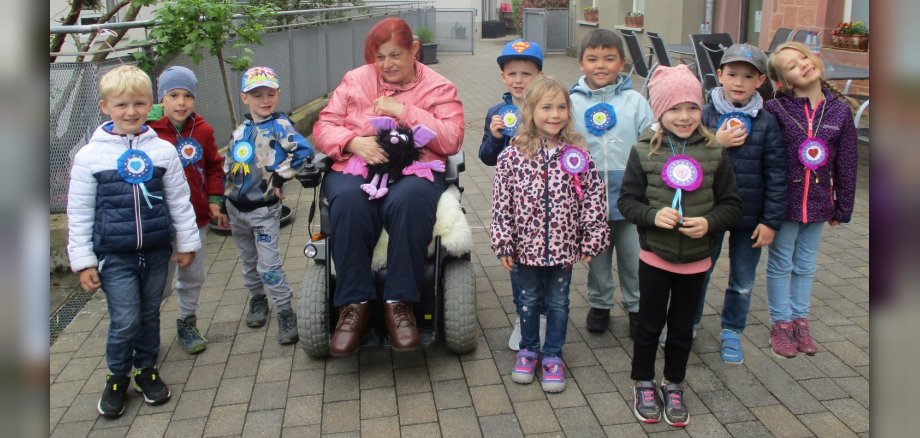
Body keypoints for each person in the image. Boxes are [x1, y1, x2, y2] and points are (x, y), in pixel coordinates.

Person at [312, 17, 464, 356]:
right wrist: (352, 141)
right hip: (356, 165)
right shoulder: (355, 80)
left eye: (395, 55)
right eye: (379, 57)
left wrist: (404, 110)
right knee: (349, 202)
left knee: (408, 200)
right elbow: (324, 125)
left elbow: (452, 139)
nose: (386, 65)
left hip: (415, 167)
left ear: (413, 49)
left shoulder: (439, 87)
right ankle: (355, 306)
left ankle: (399, 304)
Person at [67, 65, 200, 418]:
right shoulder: (89, 157)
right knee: (125, 318)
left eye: (140, 103)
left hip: (156, 250)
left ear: (151, 105)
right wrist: (83, 261)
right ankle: (117, 376)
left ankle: (146, 370)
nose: (131, 112)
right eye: (122, 104)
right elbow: (79, 212)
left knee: (149, 314)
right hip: (115, 255)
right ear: (104, 106)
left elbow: (178, 200)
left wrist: (185, 243)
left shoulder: (163, 152)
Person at [618, 65, 741, 427]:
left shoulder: (716, 152)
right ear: (659, 111)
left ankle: (674, 383)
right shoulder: (643, 151)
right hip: (655, 257)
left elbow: (732, 204)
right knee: (649, 324)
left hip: (696, 262)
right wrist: (652, 216)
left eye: (691, 107)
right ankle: (642, 381)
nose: (684, 116)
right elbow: (627, 202)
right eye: (674, 109)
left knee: (683, 328)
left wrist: (709, 223)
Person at [492, 77, 609, 393]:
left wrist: (592, 235)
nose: (555, 114)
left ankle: (554, 354)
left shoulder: (577, 154)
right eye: (546, 107)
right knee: (528, 300)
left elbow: (594, 197)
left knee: (558, 302)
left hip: (564, 247)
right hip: (525, 247)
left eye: (561, 107)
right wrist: (503, 240)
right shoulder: (512, 156)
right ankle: (529, 350)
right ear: (529, 110)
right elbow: (502, 202)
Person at [688, 44, 787, 365]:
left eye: (748, 76)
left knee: (742, 279)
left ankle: (732, 330)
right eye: (732, 74)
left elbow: (776, 174)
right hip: (709, 212)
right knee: (699, 272)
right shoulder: (703, 114)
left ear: (760, 80)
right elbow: (684, 160)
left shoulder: (767, 121)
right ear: (719, 76)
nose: (739, 82)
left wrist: (771, 221)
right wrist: (716, 141)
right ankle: (688, 323)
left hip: (750, 216)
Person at [763, 42, 858, 359]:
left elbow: (847, 161)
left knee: (804, 265)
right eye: (791, 65)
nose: (802, 65)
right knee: (780, 264)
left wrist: (843, 206)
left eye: (803, 57)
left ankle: (800, 321)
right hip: (784, 204)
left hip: (818, 204)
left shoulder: (840, 111)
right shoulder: (776, 110)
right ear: (785, 81)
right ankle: (781, 323)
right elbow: (767, 158)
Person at [218, 66, 313, 345]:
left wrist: (281, 177)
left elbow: (303, 152)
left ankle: (285, 310)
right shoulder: (240, 130)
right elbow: (230, 167)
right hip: (236, 209)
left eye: (270, 94)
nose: (264, 100)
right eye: (256, 95)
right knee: (248, 262)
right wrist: (224, 204)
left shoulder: (281, 126)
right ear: (244, 98)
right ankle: (258, 299)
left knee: (268, 264)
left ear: (278, 94)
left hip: (263, 210)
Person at [569, 29, 652, 337]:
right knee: (598, 259)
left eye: (609, 58)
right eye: (592, 59)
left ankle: (636, 307)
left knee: (634, 257)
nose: (600, 65)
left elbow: (651, 140)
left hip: (632, 199)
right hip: (589, 200)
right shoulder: (571, 102)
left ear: (622, 63)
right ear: (580, 64)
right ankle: (600, 304)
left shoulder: (635, 101)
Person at [476, 38, 548, 351]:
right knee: (518, 263)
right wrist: (493, 138)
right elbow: (486, 158)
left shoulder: (550, 109)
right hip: (514, 205)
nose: (519, 80)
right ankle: (525, 316)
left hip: (547, 202)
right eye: (512, 74)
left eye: (526, 74)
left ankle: (545, 316)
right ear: (503, 77)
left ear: (540, 76)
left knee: (548, 260)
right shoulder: (497, 112)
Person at [148, 65, 224, 354]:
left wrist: (215, 199)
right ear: (161, 99)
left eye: (188, 96)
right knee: (160, 282)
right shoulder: (148, 131)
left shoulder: (203, 130)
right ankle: (148, 327)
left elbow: (214, 166)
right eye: (173, 95)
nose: (181, 103)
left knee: (192, 274)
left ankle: (187, 321)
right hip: (159, 220)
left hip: (196, 219)